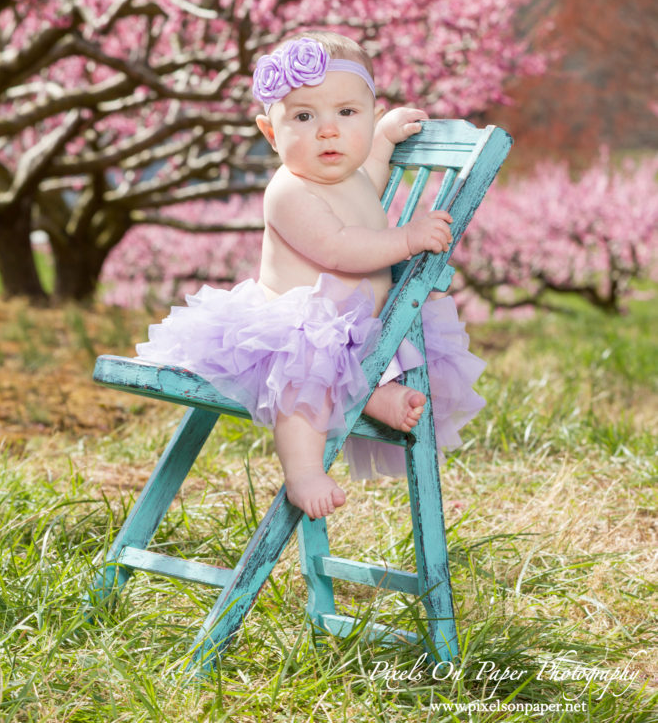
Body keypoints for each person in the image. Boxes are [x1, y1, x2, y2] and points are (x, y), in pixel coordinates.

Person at [136, 31, 485, 519]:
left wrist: (382, 138)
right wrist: (406, 239)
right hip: (294, 327)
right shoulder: (289, 192)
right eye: (304, 116)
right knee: (306, 379)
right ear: (271, 132)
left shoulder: (350, 175)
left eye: (348, 113)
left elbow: (371, 181)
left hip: (355, 330)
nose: (328, 131)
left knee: (342, 353)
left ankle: (372, 393)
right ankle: (302, 472)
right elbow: (340, 248)